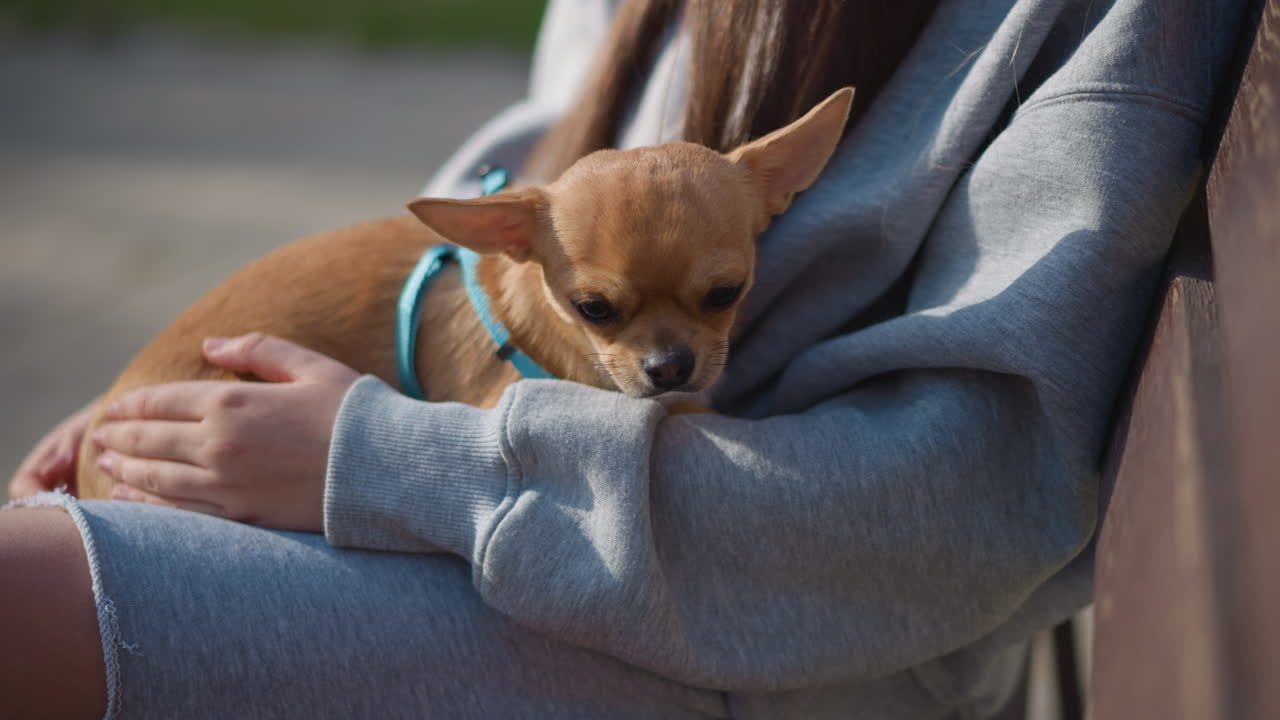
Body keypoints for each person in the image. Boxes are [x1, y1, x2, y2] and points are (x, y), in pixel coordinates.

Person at [2, 0, 1250, 717]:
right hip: (520, 516)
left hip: (782, 633)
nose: (661, 356)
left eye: (715, 299)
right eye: (605, 316)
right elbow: (534, 183)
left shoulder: (1098, 38)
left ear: (782, 185)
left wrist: (375, 456)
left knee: (23, 599)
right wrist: (161, 403)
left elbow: (966, 510)